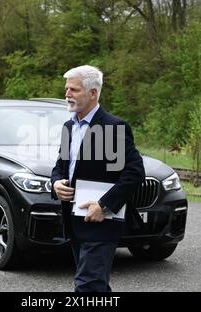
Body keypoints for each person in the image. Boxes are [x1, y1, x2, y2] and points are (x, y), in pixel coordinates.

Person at [51, 65, 145, 292]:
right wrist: (55, 183)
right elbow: (60, 167)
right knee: (95, 285)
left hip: (102, 222)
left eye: (73, 89)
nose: (67, 94)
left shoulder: (115, 127)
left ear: (92, 93)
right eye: (66, 89)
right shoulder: (68, 126)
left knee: (88, 286)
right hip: (74, 220)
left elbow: (135, 173)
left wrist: (104, 206)